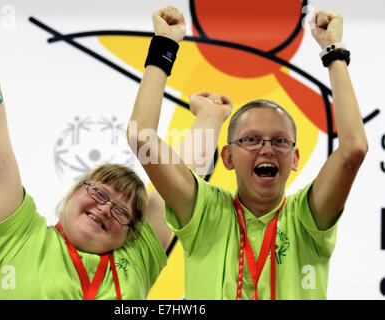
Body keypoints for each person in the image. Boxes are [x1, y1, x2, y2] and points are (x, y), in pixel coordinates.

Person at [0, 22, 231, 299]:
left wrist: (209, 117)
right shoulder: (18, 235)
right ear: (74, 191)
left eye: (123, 212)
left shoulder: (137, 259)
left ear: (130, 235)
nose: (107, 209)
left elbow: (179, 182)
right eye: (99, 192)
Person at [128, 6, 368, 299]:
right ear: (227, 157)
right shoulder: (205, 211)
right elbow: (142, 138)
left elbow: (354, 147)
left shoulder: (307, 217)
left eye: (280, 141)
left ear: (295, 159)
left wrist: (334, 53)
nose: (266, 149)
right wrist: (165, 45)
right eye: (252, 139)